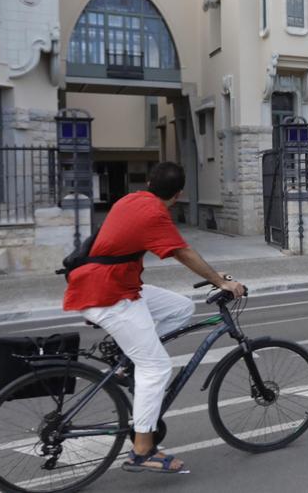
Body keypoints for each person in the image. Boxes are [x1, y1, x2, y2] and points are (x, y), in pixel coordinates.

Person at [62, 162, 246, 474]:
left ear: (149, 182)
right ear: (179, 194)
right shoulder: (155, 214)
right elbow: (183, 253)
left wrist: (216, 277)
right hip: (107, 294)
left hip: (114, 285)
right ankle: (142, 450)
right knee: (157, 367)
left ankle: (127, 359)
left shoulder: (131, 199)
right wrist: (220, 282)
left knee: (180, 308)